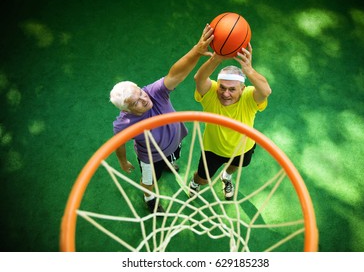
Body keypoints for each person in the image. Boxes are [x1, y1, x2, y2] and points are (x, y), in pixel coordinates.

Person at [110, 24, 213, 213]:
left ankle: (168, 163)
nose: (144, 99)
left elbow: (176, 73)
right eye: (136, 103)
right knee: (149, 181)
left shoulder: (154, 92)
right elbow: (119, 144)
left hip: (174, 143)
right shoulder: (123, 123)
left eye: (140, 92)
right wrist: (123, 162)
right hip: (150, 157)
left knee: (171, 158)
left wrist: (196, 52)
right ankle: (149, 198)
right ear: (127, 110)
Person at [189, 43, 272, 200]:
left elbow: (266, 91)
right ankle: (195, 183)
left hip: (243, 148)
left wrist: (249, 70)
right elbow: (199, 78)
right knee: (203, 179)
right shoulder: (211, 93)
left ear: (242, 88)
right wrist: (216, 58)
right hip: (213, 150)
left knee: (236, 166)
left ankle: (226, 177)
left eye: (232, 89)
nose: (225, 93)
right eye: (222, 87)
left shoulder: (249, 97)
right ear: (217, 85)